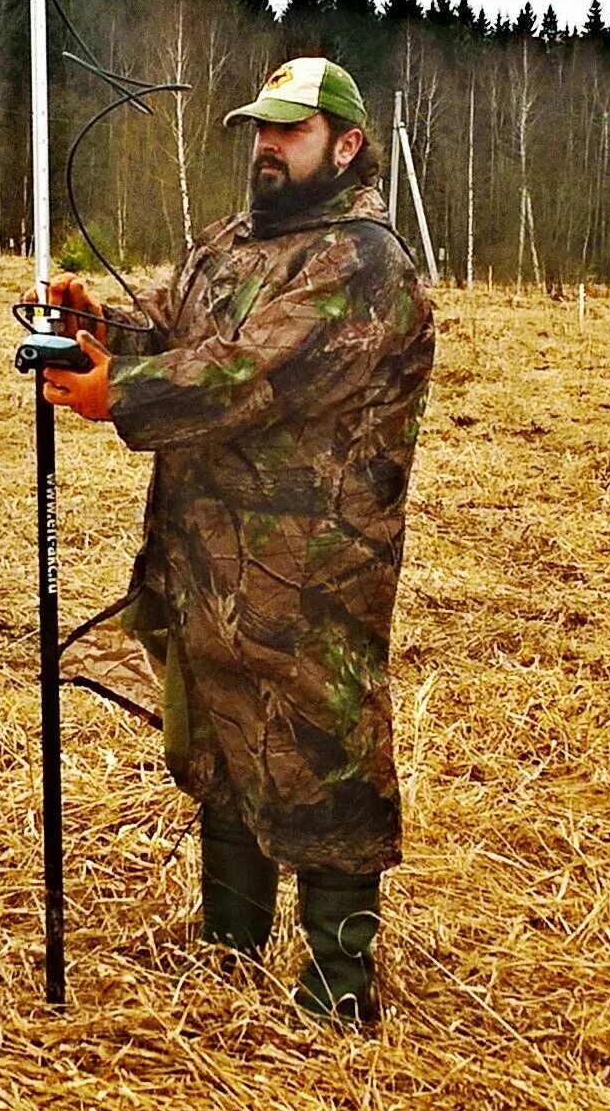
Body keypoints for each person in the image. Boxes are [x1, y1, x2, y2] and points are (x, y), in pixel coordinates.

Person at [38, 56, 434, 1026]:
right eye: (260, 127)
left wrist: (115, 395)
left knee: (321, 761)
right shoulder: (229, 245)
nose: (266, 145)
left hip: (309, 578)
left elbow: (248, 373)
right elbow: (176, 334)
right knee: (218, 742)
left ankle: (337, 990)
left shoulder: (363, 265)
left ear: (345, 145)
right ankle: (231, 946)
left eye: (289, 130)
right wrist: (102, 333)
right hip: (204, 554)